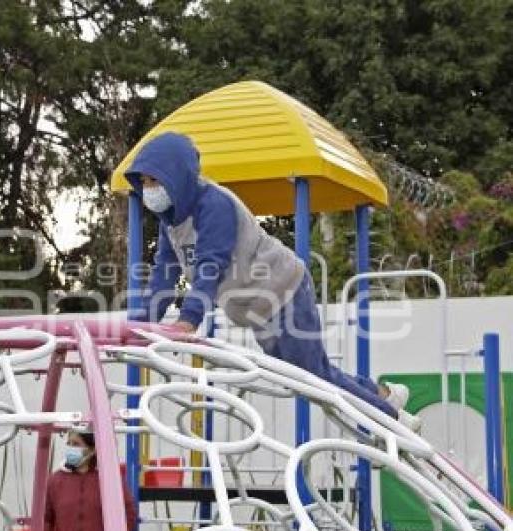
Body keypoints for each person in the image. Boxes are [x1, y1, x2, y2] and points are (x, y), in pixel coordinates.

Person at [125, 132, 419, 430]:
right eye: (145, 183)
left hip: (283, 289)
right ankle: (384, 396)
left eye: (155, 181)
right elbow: (164, 274)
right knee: (301, 375)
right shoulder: (171, 223)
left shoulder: (213, 204)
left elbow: (210, 266)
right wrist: (139, 326)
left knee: (313, 377)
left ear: (177, 176)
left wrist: (188, 319)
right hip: (257, 308)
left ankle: (393, 419)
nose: (149, 191)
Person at [42, 430, 137, 531]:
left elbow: (129, 516)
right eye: (69, 443)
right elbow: (44, 520)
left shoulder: (110, 479)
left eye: (76, 444)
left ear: (92, 450)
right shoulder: (55, 481)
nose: (70, 448)